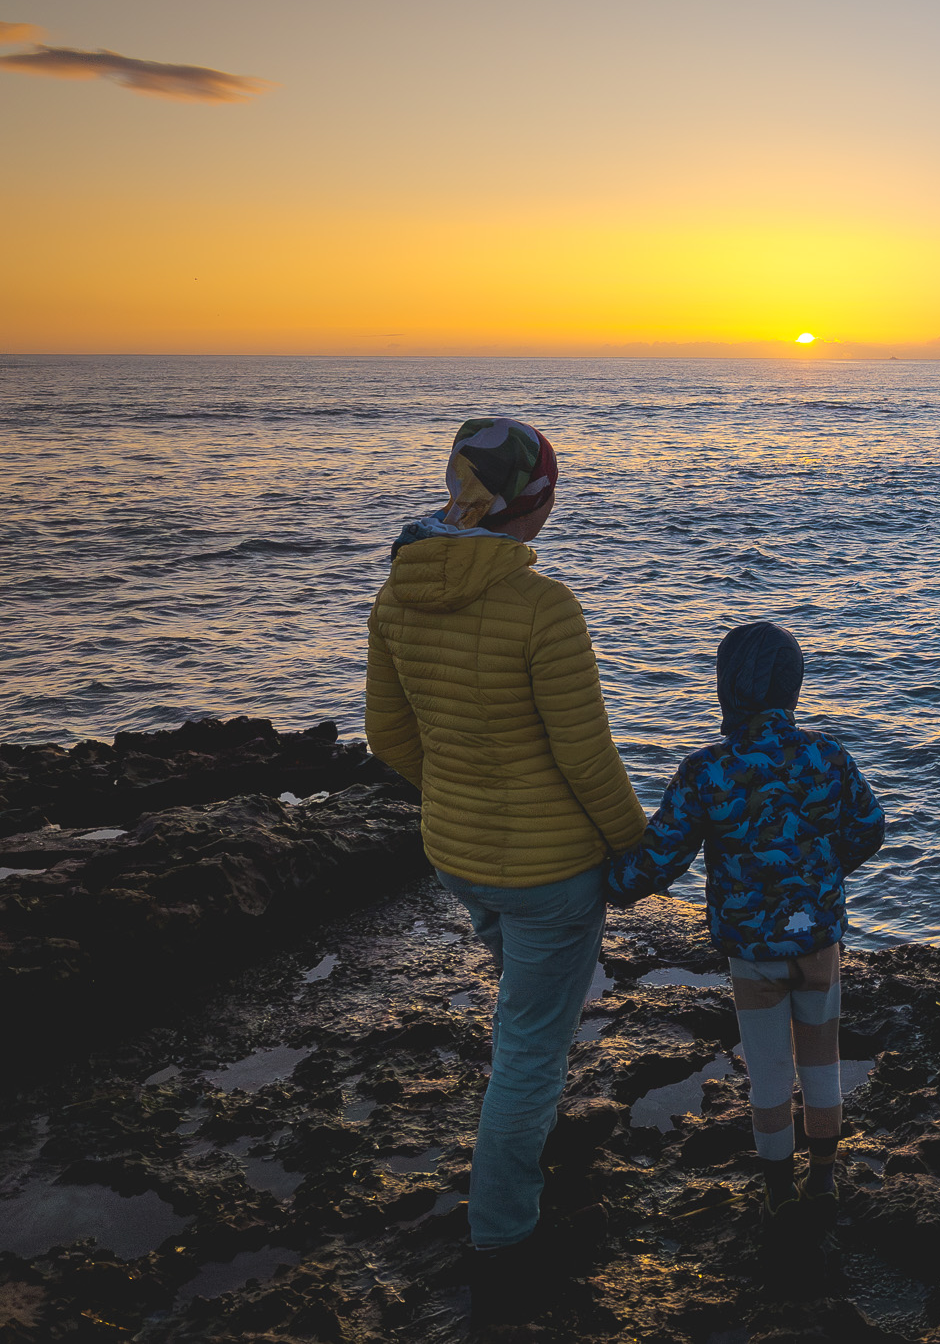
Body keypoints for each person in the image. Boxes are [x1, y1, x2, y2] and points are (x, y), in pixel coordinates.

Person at [363, 417, 646, 1301]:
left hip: (458, 853)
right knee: (529, 1047)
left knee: (526, 1015)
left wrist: (458, 794)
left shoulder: (396, 592)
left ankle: (522, 1147)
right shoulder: (543, 607)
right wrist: (636, 850)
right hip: (551, 873)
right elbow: (586, 756)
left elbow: (388, 739)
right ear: (533, 501)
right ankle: (503, 1231)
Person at [607, 620, 887, 1222]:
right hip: (818, 942)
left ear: (725, 687)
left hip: (751, 952)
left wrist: (609, 886)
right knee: (822, 1064)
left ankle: (779, 1192)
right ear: (794, 688)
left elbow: (659, 859)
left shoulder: (707, 770)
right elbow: (869, 829)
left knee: (768, 1075)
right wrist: (823, 873)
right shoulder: (826, 754)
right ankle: (825, 1180)